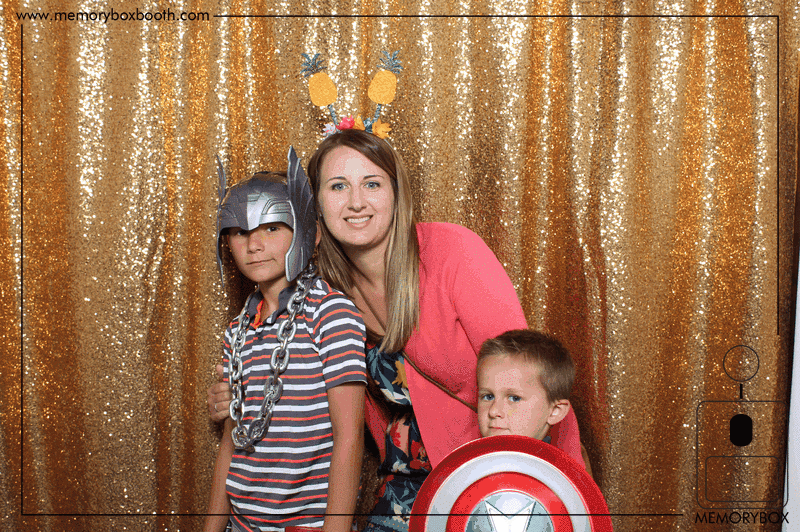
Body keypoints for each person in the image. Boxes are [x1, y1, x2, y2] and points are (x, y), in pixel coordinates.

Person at [207, 130, 584, 531]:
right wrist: (234, 395)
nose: (356, 202)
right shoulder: (322, 291)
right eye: (338, 186)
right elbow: (287, 378)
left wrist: (572, 498)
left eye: (371, 184)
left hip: (490, 479)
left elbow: (534, 379)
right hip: (403, 486)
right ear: (314, 207)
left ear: (396, 192)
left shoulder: (453, 252)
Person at [204, 148, 367, 532]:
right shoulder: (237, 329)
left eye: (272, 227)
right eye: (240, 232)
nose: (254, 245)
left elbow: (349, 438)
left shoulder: (331, 314)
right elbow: (231, 442)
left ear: (310, 232)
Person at [476, 329, 573, 442]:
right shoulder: (465, 454)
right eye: (488, 397)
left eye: (514, 398)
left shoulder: (558, 456)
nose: (493, 411)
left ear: (555, 411)